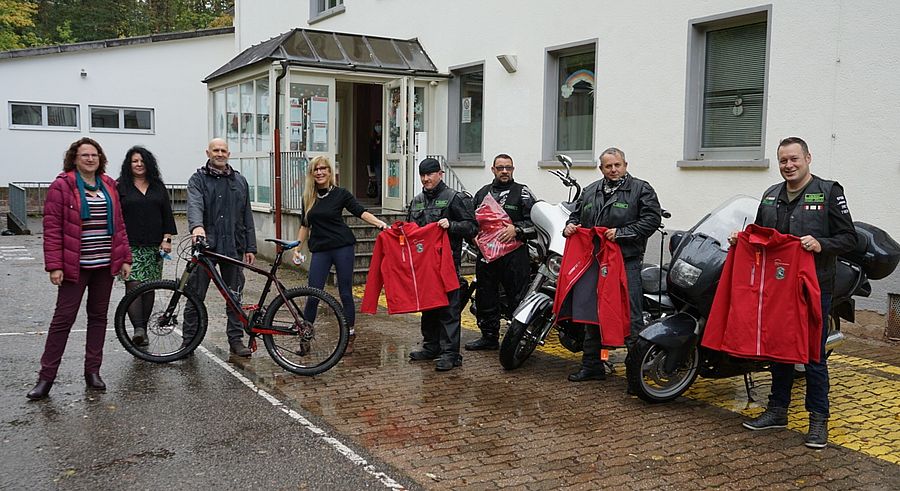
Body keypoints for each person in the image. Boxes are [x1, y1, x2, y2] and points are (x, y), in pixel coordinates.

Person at [738, 137, 857, 449]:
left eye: (794, 159)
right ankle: (778, 410)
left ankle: (819, 419)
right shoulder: (770, 196)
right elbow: (761, 236)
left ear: (808, 158)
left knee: (813, 355)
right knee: (779, 351)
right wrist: (741, 241)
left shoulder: (829, 191)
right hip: (778, 288)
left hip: (815, 286)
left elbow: (849, 239)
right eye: (783, 161)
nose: (788, 166)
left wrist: (822, 244)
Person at [27, 138, 132, 400]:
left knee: (98, 319)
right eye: (84, 155)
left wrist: (125, 258)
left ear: (100, 158)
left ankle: (92, 372)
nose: (90, 159)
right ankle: (46, 378)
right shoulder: (62, 186)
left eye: (94, 155)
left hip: (104, 265)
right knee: (62, 321)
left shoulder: (109, 185)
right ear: (74, 158)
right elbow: (52, 229)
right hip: (76, 266)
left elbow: (119, 226)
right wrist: (54, 266)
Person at [562, 147, 661, 382]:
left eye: (617, 165)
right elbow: (575, 215)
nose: (613, 170)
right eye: (608, 166)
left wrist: (624, 233)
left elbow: (651, 220)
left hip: (626, 262)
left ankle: (635, 374)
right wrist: (569, 226)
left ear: (625, 165)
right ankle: (592, 366)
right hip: (595, 261)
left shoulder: (641, 189)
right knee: (592, 313)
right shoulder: (590, 191)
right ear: (601, 168)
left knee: (630, 315)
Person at [292, 156, 387, 354]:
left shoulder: (341, 194)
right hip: (320, 249)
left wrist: (379, 223)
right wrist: (297, 248)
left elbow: (360, 212)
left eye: (323, 168)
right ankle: (306, 334)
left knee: (345, 292)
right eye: (316, 169)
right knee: (313, 293)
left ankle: (350, 334)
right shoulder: (308, 197)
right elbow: (304, 225)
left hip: (342, 246)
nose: (319, 172)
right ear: (312, 173)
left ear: (330, 172)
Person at [184, 138, 257, 357]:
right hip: (205, 248)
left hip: (233, 246)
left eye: (223, 150)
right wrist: (197, 227)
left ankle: (235, 342)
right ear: (208, 152)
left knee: (234, 297)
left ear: (229, 154)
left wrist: (250, 247)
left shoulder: (240, 181)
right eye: (215, 150)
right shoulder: (197, 180)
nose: (219, 153)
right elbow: (194, 204)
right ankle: (188, 342)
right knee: (195, 295)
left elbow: (247, 215)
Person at [406, 157, 477, 371]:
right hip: (424, 267)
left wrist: (452, 225)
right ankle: (431, 346)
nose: (426, 179)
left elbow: (472, 227)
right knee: (428, 308)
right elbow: (410, 230)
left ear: (440, 174)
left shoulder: (454, 198)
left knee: (449, 310)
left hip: (447, 265)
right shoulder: (417, 201)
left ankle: (451, 354)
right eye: (423, 175)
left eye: (430, 174)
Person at [465, 153, 536, 351]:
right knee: (486, 295)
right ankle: (488, 337)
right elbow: (471, 222)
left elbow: (536, 223)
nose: (505, 171)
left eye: (508, 168)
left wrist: (517, 230)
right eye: (501, 168)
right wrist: (473, 237)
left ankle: (519, 338)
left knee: (518, 297)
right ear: (493, 170)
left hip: (515, 256)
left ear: (513, 169)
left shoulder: (523, 192)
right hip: (486, 256)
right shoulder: (482, 193)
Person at [117, 146, 178, 347]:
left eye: (142, 161)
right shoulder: (121, 187)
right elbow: (116, 219)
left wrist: (167, 239)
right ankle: (139, 329)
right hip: (129, 245)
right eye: (135, 161)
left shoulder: (157, 186)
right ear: (129, 164)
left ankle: (142, 328)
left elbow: (167, 215)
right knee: (133, 285)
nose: (139, 164)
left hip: (154, 247)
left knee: (148, 287)